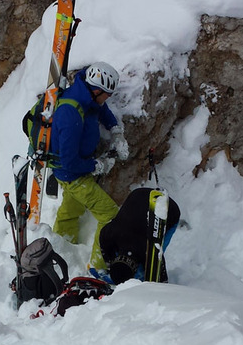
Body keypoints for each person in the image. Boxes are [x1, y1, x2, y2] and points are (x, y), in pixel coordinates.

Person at [51, 62, 129, 278]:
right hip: (72, 174)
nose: (107, 99)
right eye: (107, 95)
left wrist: (116, 130)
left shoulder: (86, 95)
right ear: (96, 91)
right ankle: (98, 266)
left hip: (76, 171)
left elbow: (101, 109)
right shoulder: (70, 114)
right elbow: (69, 161)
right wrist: (97, 166)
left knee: (71, 211)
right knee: (110, 215)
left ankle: (61, 249)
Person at [99, 187, 181, 284]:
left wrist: (156, 282)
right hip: (138, 195)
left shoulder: (149, 250)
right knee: (139, 255)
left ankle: (140, 277)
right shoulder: (107, 236)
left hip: (168, 207)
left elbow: (162, 279)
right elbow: (106, 252)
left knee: (155, 253)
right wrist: (110, 265)